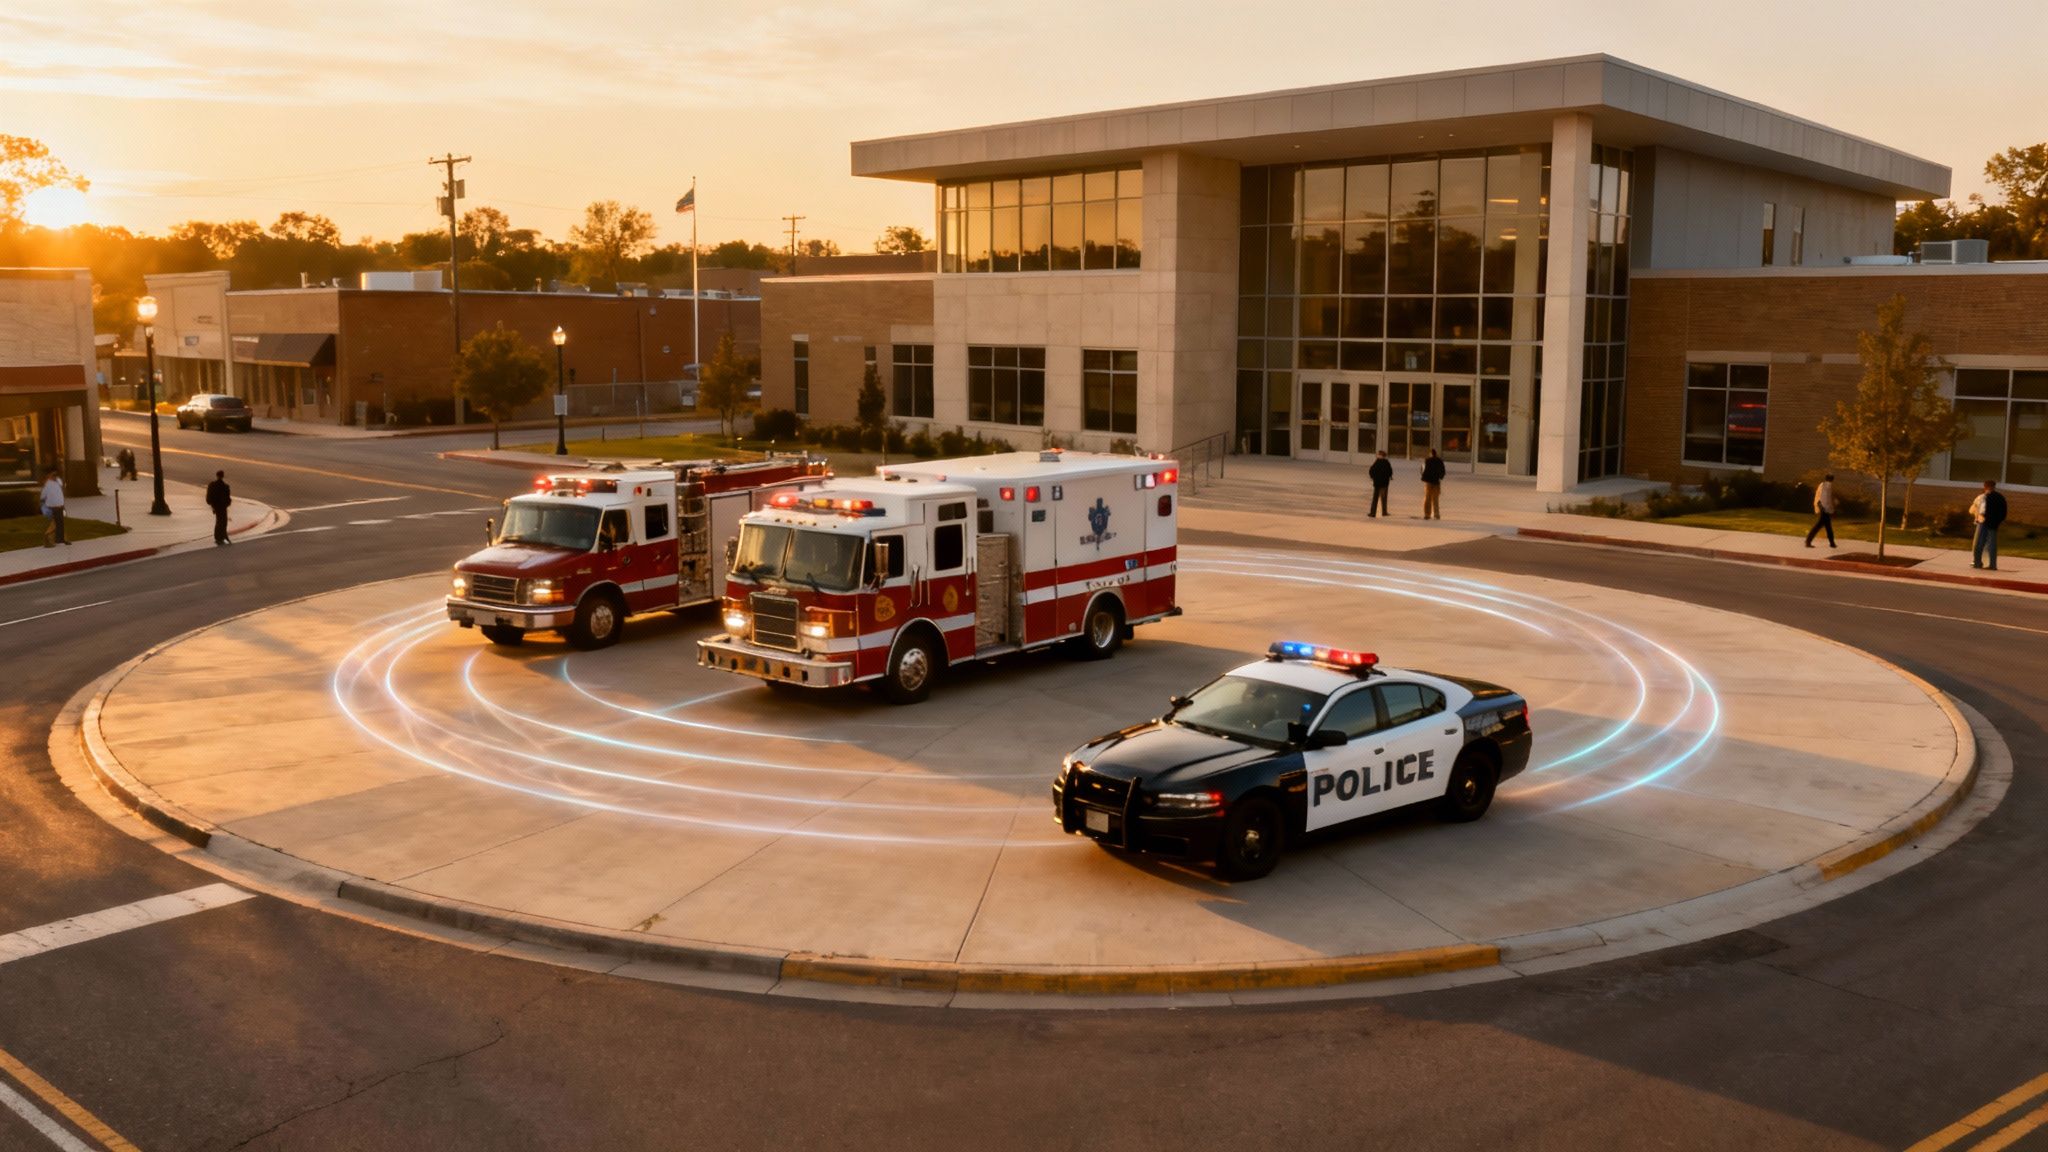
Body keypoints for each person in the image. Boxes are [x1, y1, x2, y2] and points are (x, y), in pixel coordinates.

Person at [1970, 479, 2007, 571]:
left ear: (1984, 486)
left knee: (1978, 543)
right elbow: (2003, 512)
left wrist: (1980, 517)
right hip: (1994, 523)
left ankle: (1977, 562)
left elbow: (1980, 510)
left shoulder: (1983, 497)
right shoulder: (2000, 497)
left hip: (1983, 522)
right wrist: (1998, 521)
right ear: (1994, 486)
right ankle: (1992, 564)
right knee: (1992, 544)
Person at [1805, 473, 1838, 548]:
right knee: (1820, 526)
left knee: (1827, 526)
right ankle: (1808, 541)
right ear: (1832, 479)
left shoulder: (1822, 484)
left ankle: (1832, 543)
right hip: (1825, 509)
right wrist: (1831, 509)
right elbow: (1827, 498)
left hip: (1822, 507)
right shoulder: (1828, 486)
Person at [39, 466, 66, 547]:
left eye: (55, 475)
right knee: (55, 524)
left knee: (60, 523)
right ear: (49, 475)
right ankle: (51, 540)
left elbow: (60, 490)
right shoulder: (47, 484)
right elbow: (43, 496)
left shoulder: (58, 481)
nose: (55, 476)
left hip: (60, 506)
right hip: (53, 507)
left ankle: (60, 540)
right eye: (53, 475)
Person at [205, 469, 233, 546]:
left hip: (216, 505)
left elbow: (209, 497)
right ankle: (222, 537)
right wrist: (228, 503)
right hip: (222, 506)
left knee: (219, 521)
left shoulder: (212, 485)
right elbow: (228, 498)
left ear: (217, 476)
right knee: (223, 521)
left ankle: (219, 537)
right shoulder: (225, 486)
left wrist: (211, 505)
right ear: (222, 476)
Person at [1420, 449, 1446, 520]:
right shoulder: (1439, 461)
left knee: (1427, 498)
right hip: (1436, 482)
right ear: (1436, 453)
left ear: (1430, 454)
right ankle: (1436, 514)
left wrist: (1423, 476)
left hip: (1428, 482)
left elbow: (1422, 469)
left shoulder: (1427, 460)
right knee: (1435, 499)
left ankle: (1427, 514)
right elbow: (1443, 471)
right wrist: (1440, 477)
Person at [1367, 451, 1393, 518]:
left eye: (1378, 454)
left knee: (1375, 498)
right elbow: (1390, 472)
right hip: (1384, 483)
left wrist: (1373, 477)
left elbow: (1371, 471)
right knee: (1384, 498)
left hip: (1377, 483)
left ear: (1380, 455)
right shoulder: (1387, 463)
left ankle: (1373, 513)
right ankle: (1384, 512)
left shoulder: (1376, 462)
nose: (1377, 455)